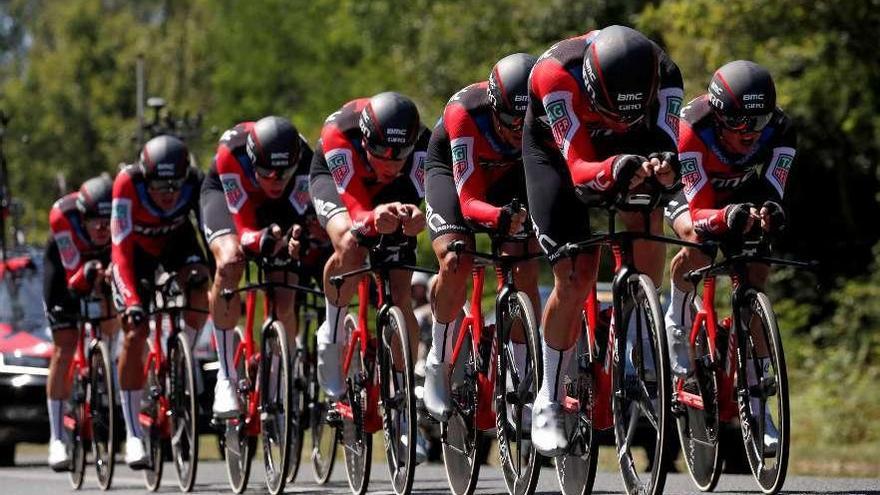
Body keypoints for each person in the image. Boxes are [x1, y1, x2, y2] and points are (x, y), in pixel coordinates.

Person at [523, 25, 683, 456]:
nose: (620, 121)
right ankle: (549, 397)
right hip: (557, 154)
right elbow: (578, 169)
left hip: (628, 146)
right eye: (613, 112)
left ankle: (634, 331)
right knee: (575, 275)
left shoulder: (666, 73)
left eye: (628, 113)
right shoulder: (555, 76)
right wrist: (612, 168)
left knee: (647, 216)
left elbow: (668, 145)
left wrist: (666, 167)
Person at [663, 60, 796, 453]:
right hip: (693, 195)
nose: (750, 134)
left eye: (759, 122)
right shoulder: (691, 127)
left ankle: (757, 405)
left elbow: (773, 189)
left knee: (757, 268)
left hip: (741, 192)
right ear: (719, 115)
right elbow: (701, 208)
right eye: (740, 124)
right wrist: (724, 218)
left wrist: (767, 212)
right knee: (697, 242)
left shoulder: (782, 128)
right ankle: (678, 309)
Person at [310, 91, 430, 462]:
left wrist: (414, 219)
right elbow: (358, 208)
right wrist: (372, 220)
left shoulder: (423, 146)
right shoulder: (338, 135)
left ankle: (405, 406)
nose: (391, 164)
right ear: (366, 141)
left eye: (400, 156)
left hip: (389, 198)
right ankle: (331, 331)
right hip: (340, 187)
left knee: (400, 290)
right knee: (350, 243)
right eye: (382, 155)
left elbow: (418, 203)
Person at [421, 53, 542, 422]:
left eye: (526, 124)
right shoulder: (464, 113)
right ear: (493, 106)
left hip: (511, 177)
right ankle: (439, 361)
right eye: (508, 122)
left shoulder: (544, 115)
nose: (516, 131)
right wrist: (499, 216)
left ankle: (521, 377)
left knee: (526, 265)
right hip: (457, 177)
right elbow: (470, 199)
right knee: (456, 259)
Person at [200, 115, 313, 418]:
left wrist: (294, 238)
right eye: (266, 172)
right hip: (227, 201)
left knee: (285, 299)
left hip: (279, 210)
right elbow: (245, 226)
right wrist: (263, 238)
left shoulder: (305, 159)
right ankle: (225, 376)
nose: (275, 179)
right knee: (231, 260)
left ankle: (277, 374)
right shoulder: (231, 154)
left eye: (283, 172)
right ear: (253, 162)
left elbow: (299, 219)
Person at [110, 135, 209, 468]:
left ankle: (185, 355)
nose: (168, 195)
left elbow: (209, 236)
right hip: (136, 254)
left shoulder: (195, 181)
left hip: (176, 243)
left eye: (174, 187)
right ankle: (133, 434)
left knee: (200, 281)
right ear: (145, 177)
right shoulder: (127, 184)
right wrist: (132, 303)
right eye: (159, 187)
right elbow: (120, 250)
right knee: (134, 332)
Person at [43, 175, 116, 470]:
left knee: (114, 314)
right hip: (64, 271)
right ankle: (56, 437)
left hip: (100, 262)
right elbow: (74, 276)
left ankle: (103, 370)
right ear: (82, 217)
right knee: (65, 345)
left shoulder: (120, 217)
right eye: (94, 220)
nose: (101, 226)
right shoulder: (63, 216)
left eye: (106, 220)